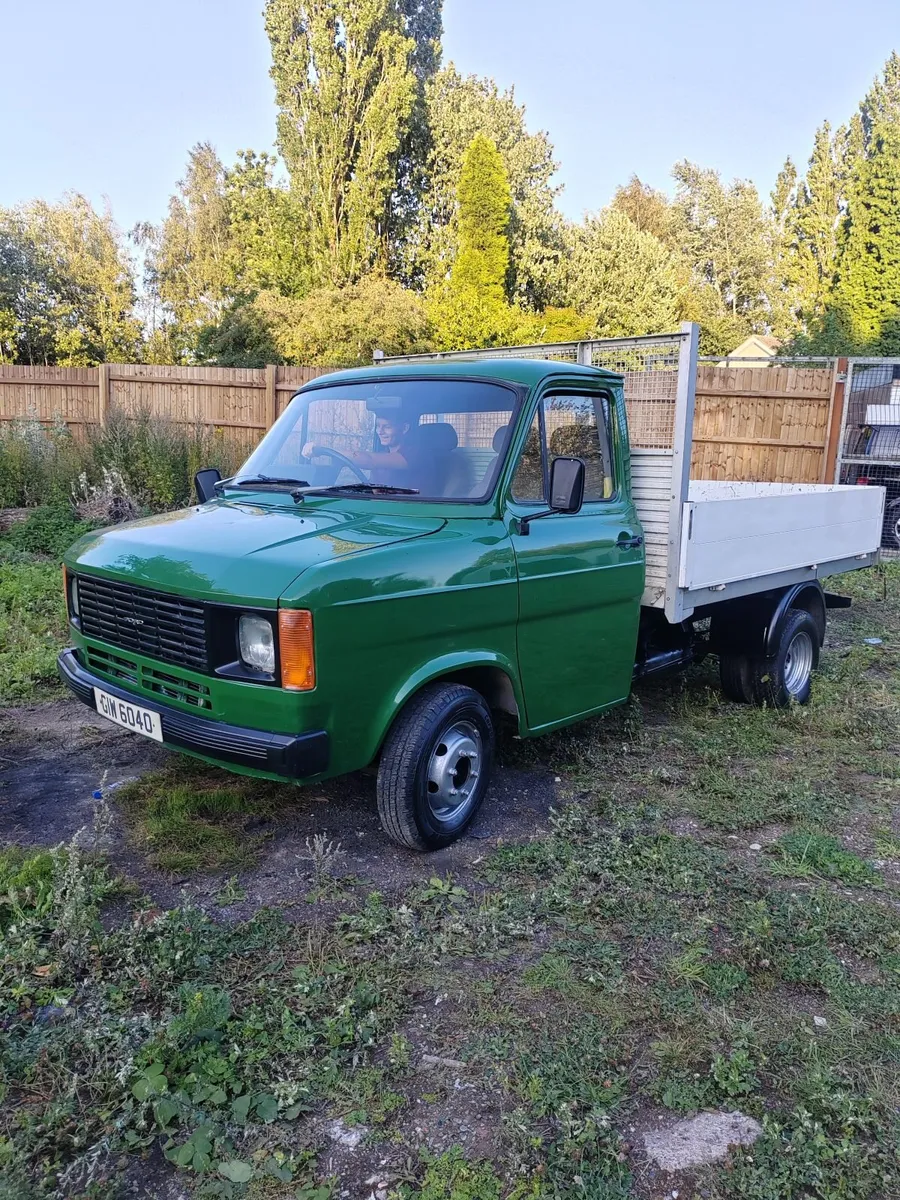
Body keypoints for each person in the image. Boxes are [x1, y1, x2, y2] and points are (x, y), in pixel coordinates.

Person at [303, 414, 421, 489]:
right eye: (378, 426)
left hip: (408, 515)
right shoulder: (384, 453)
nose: (380, 431)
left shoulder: (414, 454)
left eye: (387, 427)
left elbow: (370, 460)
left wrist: (323, 449)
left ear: (404, 428)